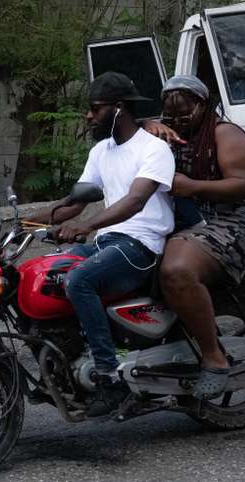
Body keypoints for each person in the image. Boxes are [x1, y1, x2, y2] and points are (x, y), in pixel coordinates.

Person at [27, 72, 176, 416]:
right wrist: (25, 223)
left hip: (141, 245)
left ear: (119, 109)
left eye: (95, 109)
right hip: (108, 241)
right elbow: (75, 203)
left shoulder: (154, 149)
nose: (89, 116)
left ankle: (109, 378)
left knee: (80, 280)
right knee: (42, 275)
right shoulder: (100, 152)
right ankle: (61, 370)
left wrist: (86, 226)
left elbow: (135, 201)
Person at [144, 75, 245, 400]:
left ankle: (214, 357)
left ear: (203, 105)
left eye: (186, 113)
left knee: (176, 271)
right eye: (171, 116)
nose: (179, 121)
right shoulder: (165, 134)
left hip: (231, 221)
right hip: (184, 221)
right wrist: (149, 127)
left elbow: (244, 184)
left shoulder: (224, 133)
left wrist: (194, 186)